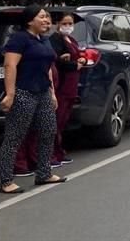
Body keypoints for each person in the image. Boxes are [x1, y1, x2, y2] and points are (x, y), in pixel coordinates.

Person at [0, 5, 67, 194]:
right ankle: (6, 181)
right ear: (29, 21)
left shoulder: (44, 41)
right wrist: (10, 94)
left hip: (43, 91)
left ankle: (44, 173)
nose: (46, 20)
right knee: (14, 137)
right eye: (41, 17)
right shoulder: (19, 39)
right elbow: (10, 66)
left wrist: (52, 92)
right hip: (23, 92)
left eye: (47, 17)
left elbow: (47, 68)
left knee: (48, 131)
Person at [49, 13, 84, 165]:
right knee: (56, 120)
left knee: (63, 121)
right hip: (61, 84)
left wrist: (81, 60)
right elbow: (56, 61)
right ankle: (52, 154)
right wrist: (74, 65)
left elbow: (75, 55)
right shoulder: (54, 40)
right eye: (65, 23)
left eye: (71, 23)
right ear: (57, 23)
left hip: (71, 84)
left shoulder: (71, 40)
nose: (68, 26)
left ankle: (59, 151)